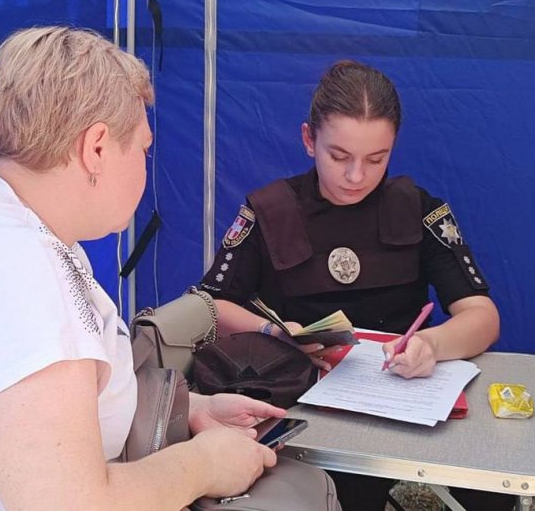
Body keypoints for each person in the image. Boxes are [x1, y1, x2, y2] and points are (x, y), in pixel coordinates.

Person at [0, 26, 285, 511]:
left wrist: (188, 411)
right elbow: (69, 503)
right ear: (97, 148)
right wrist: (203, 466)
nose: (146, 166)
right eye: (143, 149)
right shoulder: (10, 272)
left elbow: (43, 415)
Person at [199, 60, 514, 510]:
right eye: (339, 156)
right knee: (345, 497)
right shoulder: (270, 211)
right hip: (309, 405)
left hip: (405, 399)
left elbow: (483, 316)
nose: (356, 177)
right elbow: (211, 305)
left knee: (493, 489)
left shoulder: (419, 210)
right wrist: (275, 333)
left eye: (376, 159)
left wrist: (432, 344)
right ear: (309, 139)